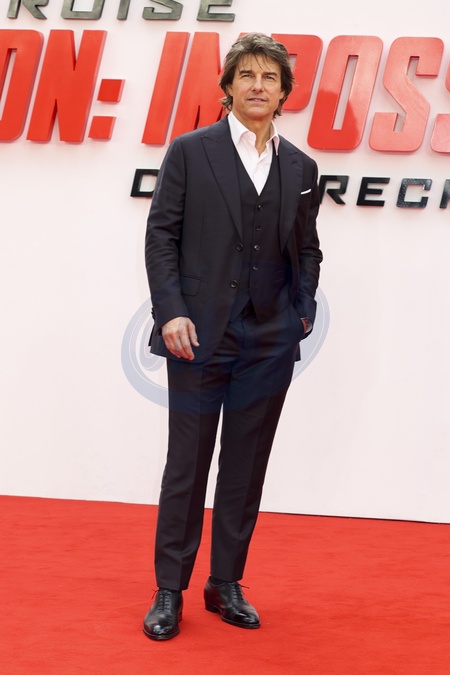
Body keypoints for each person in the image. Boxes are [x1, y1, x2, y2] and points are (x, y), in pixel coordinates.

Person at [143, 32, 323, 641]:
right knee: (187, 465)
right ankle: (170, 589)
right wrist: (171, 311)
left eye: (269, 77)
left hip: (269, 339)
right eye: (246, 75)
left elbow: (308, 248)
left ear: (284, 93)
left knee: (246, 467)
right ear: (227, 87)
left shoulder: (301, 168)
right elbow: (161, 236)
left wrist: (301, 311)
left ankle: (225, 583)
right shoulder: (191, 151)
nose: (257, 85)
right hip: (197, 335)